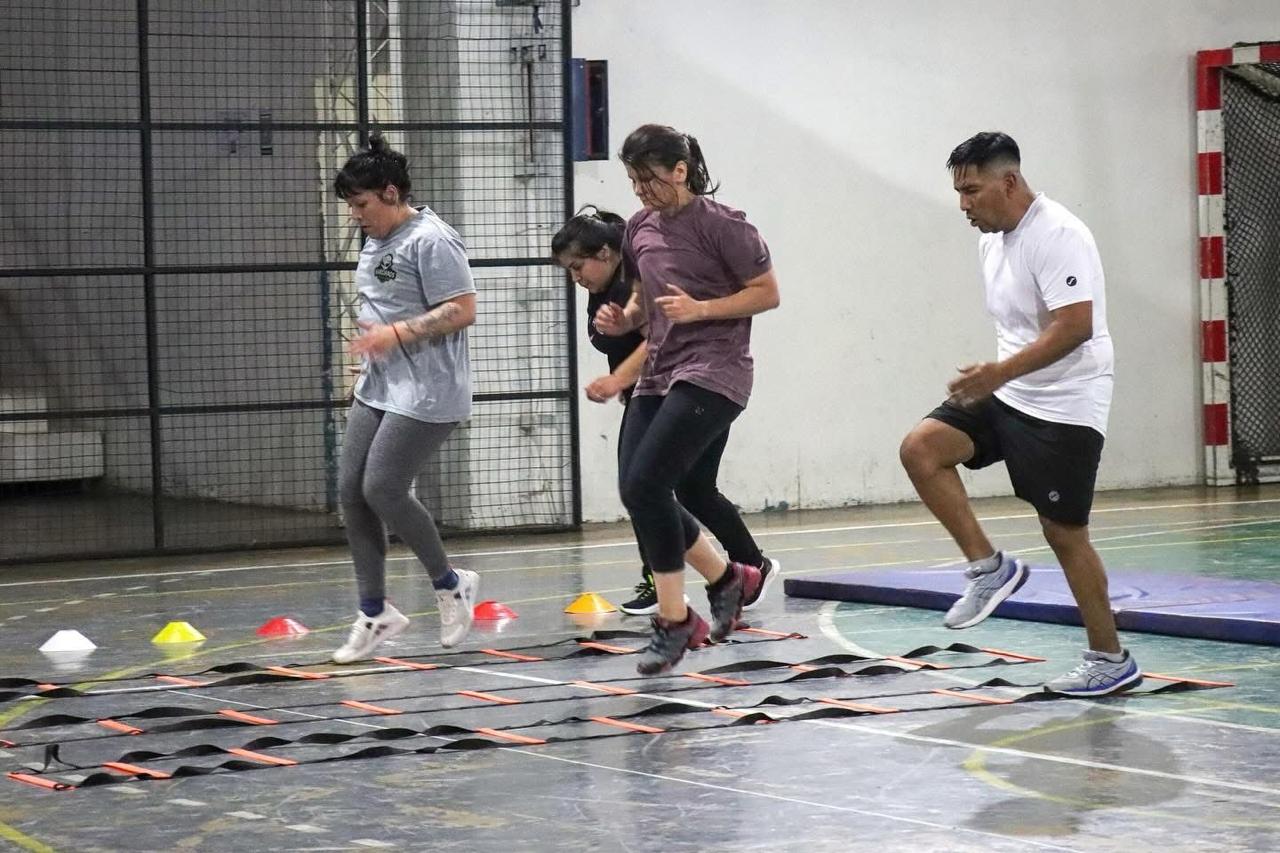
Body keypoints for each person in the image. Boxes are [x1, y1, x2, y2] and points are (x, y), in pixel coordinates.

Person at [898, 131, 1141, 696]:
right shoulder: (991, 239)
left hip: (1067, 400)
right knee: (921, 449)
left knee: (1064, 533)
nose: (964, 205)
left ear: (1009, 182)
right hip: (1009, 388)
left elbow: (1075, 326)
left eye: (972, 192)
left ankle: (1110, 659)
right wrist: (1000, 378)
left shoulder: (1058, 234)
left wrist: (999, 373)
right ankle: (990, 570)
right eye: (958, 193)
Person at [594, 124, 781, 675]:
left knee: (653, 483)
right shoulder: (638, 228)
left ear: (681, 171)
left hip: (715, 370)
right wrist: (625, 317)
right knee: (637, 490)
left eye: (650, 179)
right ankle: (728, 578)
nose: (641, 191)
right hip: (660, 371)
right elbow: (642, 296)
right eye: (633, 181)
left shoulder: (726, 226)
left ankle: (675, 619)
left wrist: (701, 309)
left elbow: (767, 293)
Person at [553, 208, 779, 617]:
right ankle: (746, 567)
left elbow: (656, 337)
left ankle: (685, 581)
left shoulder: (635, 279)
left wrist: (618, 379)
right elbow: (637, 324)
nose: (576, 277)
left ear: (605, 253)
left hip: (681, 389)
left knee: (646, 486)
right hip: (656, 393)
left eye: (578, 266)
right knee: (685, 489)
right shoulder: (606, 292)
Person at [329, 133, 480, 664]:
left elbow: (462, 309)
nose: (356, 216)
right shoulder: (377, 239)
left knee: (383, 488)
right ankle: (375, 612)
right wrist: (375, 347)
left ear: (391, 193)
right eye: (351, 206)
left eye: (362, 204)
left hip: (428, 389)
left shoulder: (432, 240)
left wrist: (394, 336)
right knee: (351, 492)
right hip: (380, 384)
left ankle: (451, 584)